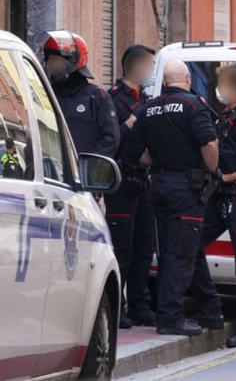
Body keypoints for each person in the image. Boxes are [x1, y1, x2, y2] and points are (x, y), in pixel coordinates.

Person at [124, 60, 218, 336]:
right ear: (187, 79)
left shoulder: (148, 109)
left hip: (159, 184)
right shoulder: (194, 106)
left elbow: (134, 152)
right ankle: (171, 318)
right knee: (182, 254)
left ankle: (198, 310)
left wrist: (159, 160)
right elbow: (209, 143)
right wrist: (211, 168)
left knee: (168, 251)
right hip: (187, 188)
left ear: (164, 82)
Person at [191, 62, 236, 347]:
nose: (219, 90)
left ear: (235, 88)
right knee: (192, 245)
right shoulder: (226, 116)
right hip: (219, 197)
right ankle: (210, 308)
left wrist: (225, 177)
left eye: (222, 84)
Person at [106, 44, 157, 329]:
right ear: (135, 67)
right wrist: (132, 121)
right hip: (121, 182)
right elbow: (111, 139)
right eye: (149, 65)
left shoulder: (148, 100)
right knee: (122, 249)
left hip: (144, 180)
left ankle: (140, 305)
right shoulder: (112, 99)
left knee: (143, 248)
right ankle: (119, 308)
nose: (152, 71)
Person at [38, 30, 119, 158]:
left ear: (73, 62)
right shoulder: (45, 94)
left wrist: (88, 165)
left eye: (58, 59)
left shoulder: (96, 96)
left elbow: (111, 138)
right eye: (50, 60)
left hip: (84, 168)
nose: (53, 65)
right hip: (51, 166)